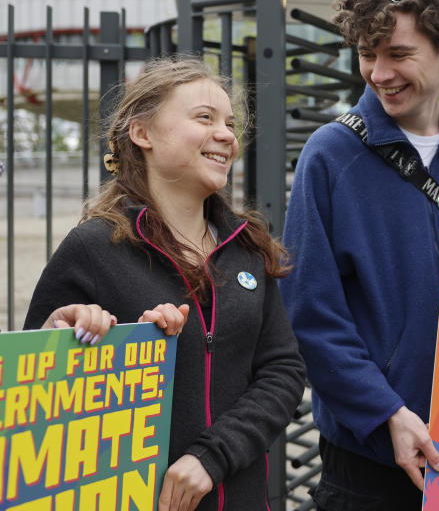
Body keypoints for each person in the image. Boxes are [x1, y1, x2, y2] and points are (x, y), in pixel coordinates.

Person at [24, 56, 306, 511]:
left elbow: (283, 370)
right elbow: (33, 402)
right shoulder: (92, 248)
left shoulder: (247, 247)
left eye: (231, 124)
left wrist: (213, 457)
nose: (227, 136)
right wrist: (64, 334)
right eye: (204, 118)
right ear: (143, 133)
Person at [280, 0, 439, 510]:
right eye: (366, 55)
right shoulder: (328, 155)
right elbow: (309, 313)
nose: (380, 73)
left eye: (399, 54)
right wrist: (386, 412)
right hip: (367, 456)